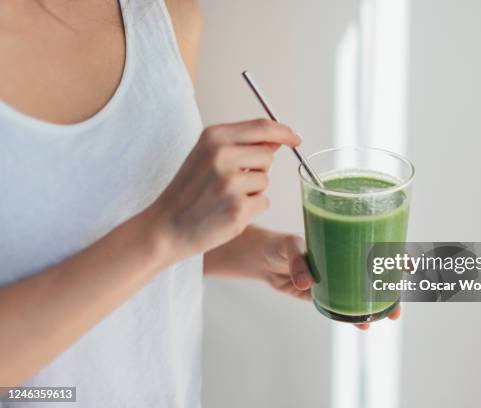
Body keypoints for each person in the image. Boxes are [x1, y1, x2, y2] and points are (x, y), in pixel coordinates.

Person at [0, 0, 399, 406]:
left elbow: (145, 229)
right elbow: (161, 230)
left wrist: (259, 253)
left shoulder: (165, 16)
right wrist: (164, 231)